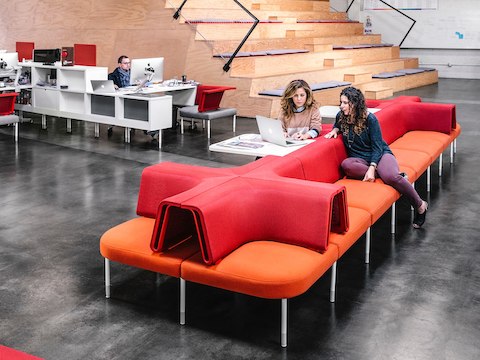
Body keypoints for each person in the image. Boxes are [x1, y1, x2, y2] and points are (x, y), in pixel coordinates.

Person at [324, 86, 428, 228]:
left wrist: (372, 167)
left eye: (345, 103)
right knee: (346, 165)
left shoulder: (370, 119)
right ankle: (388, 174)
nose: (341, 106)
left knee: (392, 177)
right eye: (341, 102)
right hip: (359, 159)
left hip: (380, 154)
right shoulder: (341, 116)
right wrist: (335, 129)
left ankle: (420, 205)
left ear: (354, 103)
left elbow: (378, 146)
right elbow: (337, 125)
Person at [106, 55, 131, 136]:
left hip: (132, 95)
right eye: (125, 63)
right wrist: (113, 85)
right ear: (120, 64)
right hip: (121, 98)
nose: (128, 65)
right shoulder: (112, 76)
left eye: (129, 63)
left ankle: (148, 130)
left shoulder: (133, 74)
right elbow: (108, 86)